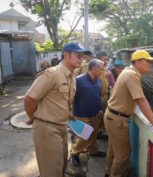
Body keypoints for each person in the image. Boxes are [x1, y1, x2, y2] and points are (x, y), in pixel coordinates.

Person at [104, 50, 153, 177]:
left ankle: (108, 172)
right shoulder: (132, 75)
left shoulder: (128, 72)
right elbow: (140, 100)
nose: (150, 65)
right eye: (148, 62)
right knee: (123, 155)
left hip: (112, 116)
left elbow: (139, 98)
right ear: (139, 62)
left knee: (113, 149)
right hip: (117, 119)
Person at [24, 42, 88, 177]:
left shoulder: (72, 77)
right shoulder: (52, 74)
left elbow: (63, 102)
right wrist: (33, 118)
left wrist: (69, 115)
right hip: (47, 129)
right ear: (66, 55)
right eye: (78, 55)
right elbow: (29, 99)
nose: (81, 58)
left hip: (62, 127)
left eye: (83, 55)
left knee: (61, 166)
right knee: (51, 171)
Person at [70, 59, 106, 166]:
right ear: (93, 68)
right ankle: (75, 153)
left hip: (96, 113)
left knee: (94, 135)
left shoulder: (99, 81)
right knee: (84, 136)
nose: (103, 71)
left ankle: (93, 151)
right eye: (101, 69)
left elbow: (98, 96)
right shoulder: (78, 80)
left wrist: (100, 110)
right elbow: (70, 97)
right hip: (82, 114)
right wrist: (70, 111)